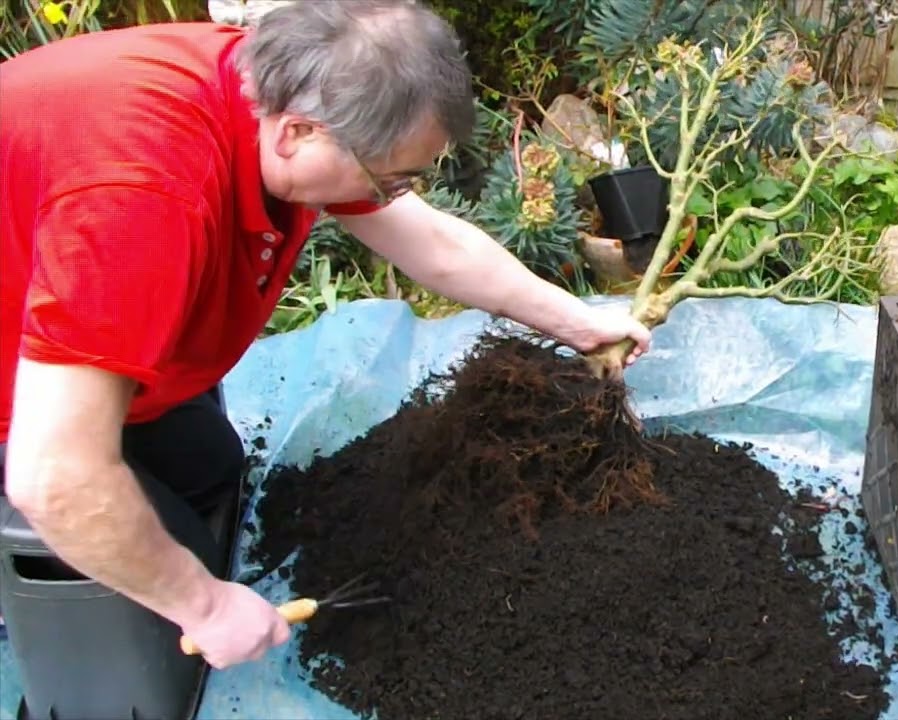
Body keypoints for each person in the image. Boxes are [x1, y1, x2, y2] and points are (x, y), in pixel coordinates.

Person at [0, 1, 651, 670]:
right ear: (298, 134)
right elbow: (55, 475)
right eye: (389, 178)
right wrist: (204, 605)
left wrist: (576, 321)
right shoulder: (138, 198)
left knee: (210, 476)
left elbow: (432, 242)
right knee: (146, 594)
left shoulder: (276, 86)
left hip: (69, 312)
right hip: (23, 387)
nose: (394, 195)